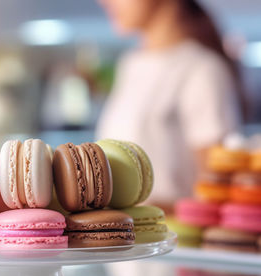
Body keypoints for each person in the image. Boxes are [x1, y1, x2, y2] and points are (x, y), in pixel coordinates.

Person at [96, 0, 245, 213]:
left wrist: (138, 211)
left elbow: (216, 198)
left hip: (172, 242)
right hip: (125, 240)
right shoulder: (130, 65)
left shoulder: (202, 69)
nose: (103, 2)